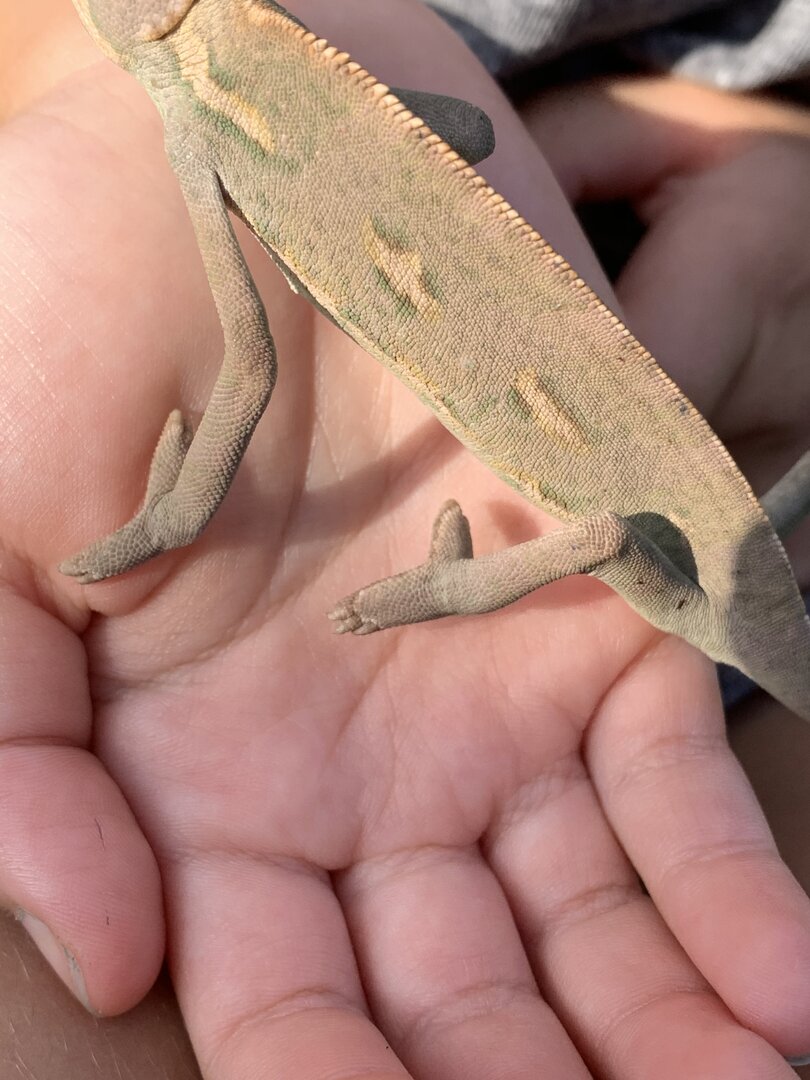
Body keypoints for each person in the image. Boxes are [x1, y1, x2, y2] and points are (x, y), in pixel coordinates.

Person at [1, 0, 809, 1077]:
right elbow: (465, 134)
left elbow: (251, 365)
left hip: (663, 407)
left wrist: (175, 519)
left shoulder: (192, 121)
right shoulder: (224, 70)